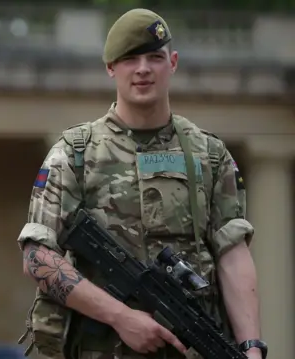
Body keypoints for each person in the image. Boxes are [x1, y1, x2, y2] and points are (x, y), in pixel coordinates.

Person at [16, 8, 266, 359]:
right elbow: (37, 256)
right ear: (110, 68)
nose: (143, 69)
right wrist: (121, 317)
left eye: (155, 57)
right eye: (130, 59)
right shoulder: (75, 153)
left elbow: (233, 255)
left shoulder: (209, 155)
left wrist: (251, 348)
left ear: (173, 62)